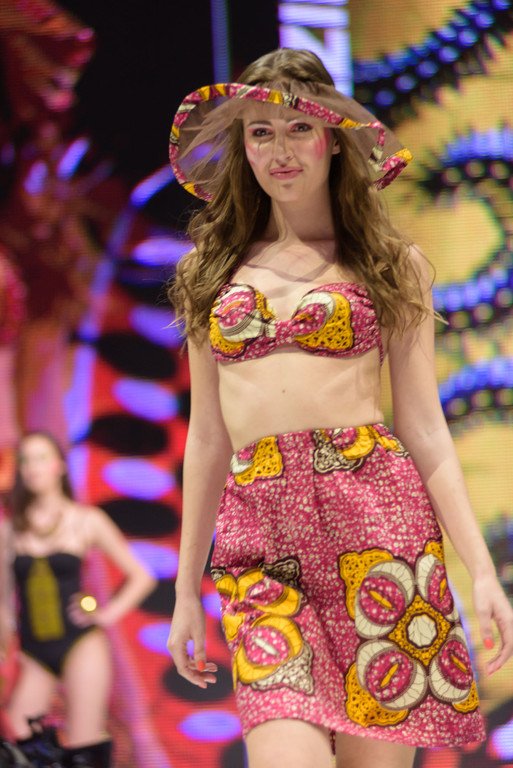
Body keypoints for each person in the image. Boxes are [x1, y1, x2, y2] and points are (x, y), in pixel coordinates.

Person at [165, 48, 513, 768]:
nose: (279, 150)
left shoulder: (390, 264)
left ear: (332, 139)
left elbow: (425, 429)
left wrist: (481, 572)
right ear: (241, 148)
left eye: (298, 129)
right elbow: (206, 440)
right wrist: (183, 591)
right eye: (260, 132)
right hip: (261, 550)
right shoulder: (208, 273)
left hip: (378, 538)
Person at [0, 431, 156, 768]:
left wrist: (106, 614)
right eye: (26, 460)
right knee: (20, 746)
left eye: (41, 458)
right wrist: (6, 642)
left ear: (59, 465)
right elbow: (3, 600)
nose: (33, 467)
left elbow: (142, 576)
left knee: (84, 747)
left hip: (80, 643)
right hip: (33, 650)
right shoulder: (9, 530)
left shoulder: (85, 520)